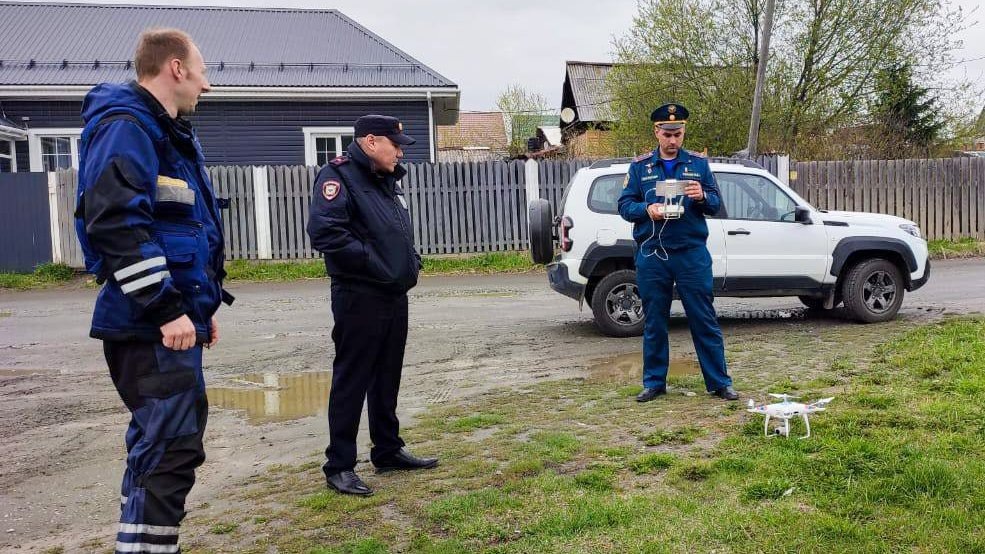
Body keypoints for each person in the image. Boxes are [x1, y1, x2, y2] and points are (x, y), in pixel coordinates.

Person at [74, 28, 233, 553]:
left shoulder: (165, 134)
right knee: (169, 450)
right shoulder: (128, 127)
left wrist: (198, 311)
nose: (207, 86)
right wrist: (167, 310)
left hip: (165, 324)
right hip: (148, 326)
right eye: (203, 71)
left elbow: (179, 228)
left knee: (159, 448)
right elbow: (115, 223)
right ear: (177, 69)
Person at [307, 115, 438, 496]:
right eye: (395, 145)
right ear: (369, 142)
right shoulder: (339, 177)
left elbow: (396, 231)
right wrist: (375, 264)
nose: (400, 152)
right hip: (359, 295)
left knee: (387, 375)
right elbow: (325, 233)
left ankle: (388, 449)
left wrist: (409, 261)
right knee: (353, 378)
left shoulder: (386, 180)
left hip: (393, 294)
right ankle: (340, 465)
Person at [617, 103, 739, 403]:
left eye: (678, 134)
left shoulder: (698, 165)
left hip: (691, 254)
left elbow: (715, 205)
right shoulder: (639, 167)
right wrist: (647, 209)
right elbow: (624, 206)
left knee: (704, 318)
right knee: (655, 321)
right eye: (667, 134)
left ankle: (719, 383)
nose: (673, 140)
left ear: (683, 132)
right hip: (653, 254)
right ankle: (655, 383)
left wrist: (702, 197)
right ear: (657, 132)